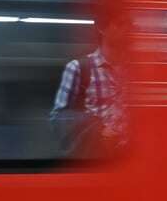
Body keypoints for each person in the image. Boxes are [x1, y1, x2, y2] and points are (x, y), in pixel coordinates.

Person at [50, 12, 128, 157]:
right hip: (96, 155)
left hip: (131, 157)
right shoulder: (78, 68)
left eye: (129, 25)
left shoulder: (137, 71)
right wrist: (97, 129)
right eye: (120, 24)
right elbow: (58, 117)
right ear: (103, 28)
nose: (127, 30)